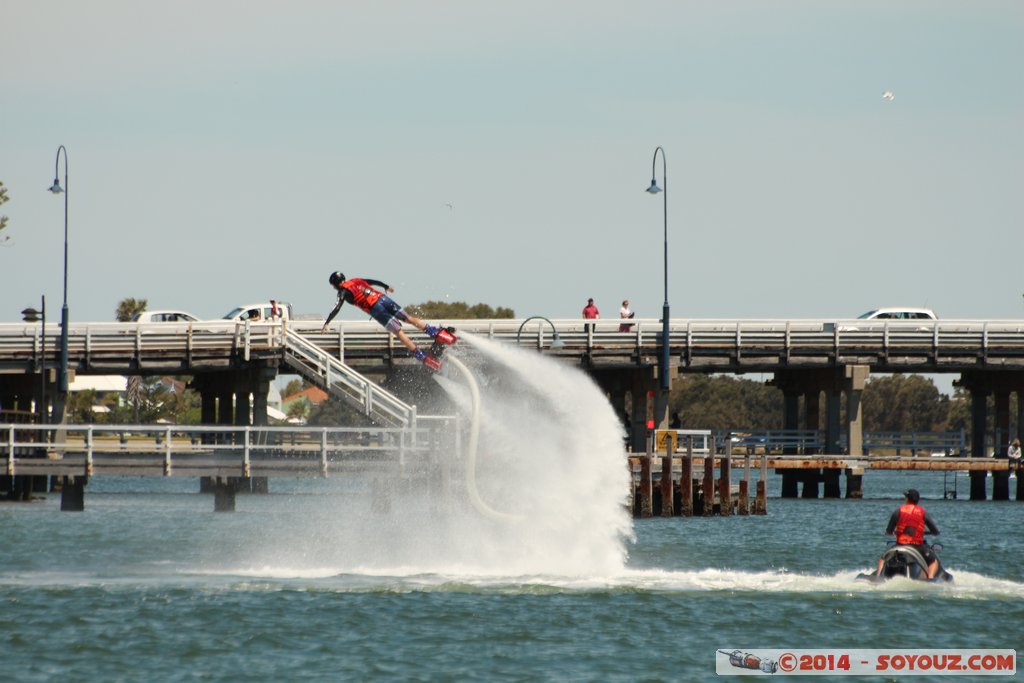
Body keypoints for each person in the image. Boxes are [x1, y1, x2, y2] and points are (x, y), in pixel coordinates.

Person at [321, 272, 454, 371]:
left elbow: (337, 306)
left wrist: (327, 322)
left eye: (333, 286)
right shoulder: (356, 280)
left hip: (376, 309)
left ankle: (422, 357)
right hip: (383, 298)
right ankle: (437, 334)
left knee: (399, 331)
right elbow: (373, 281)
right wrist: (386, 286)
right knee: (408, 318)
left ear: (336, 284)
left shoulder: (342, 291)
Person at [875, 488, 940, 579]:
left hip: (900, 545)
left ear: (907, 499)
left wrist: (892, 532)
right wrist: (930, 533)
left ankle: (878, 577)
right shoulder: (923, 512)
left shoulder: (898, 511)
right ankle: (930, 577)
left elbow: (889, 531)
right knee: (933, 561)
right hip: (918, 546)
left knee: (883, 558)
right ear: (917, 500)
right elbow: (935, 531)